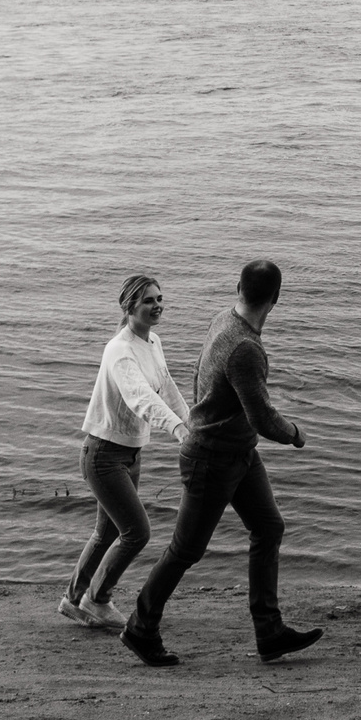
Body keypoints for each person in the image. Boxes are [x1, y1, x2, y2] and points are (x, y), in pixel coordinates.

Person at [123, 260, 323, 667]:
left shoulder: (223, 319)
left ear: (238, 289)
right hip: (212, 457)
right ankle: (140, 628)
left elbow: (206, 383)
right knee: (185, 550)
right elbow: (262, 417)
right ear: (276, 299)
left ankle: (269, 632)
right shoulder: (246, 349)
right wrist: (296, 434)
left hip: (238, 453)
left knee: (269, 527)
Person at [60, 272, 190, 630]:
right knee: (136, 531)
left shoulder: (153, 343)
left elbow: (166, 388)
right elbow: (140, 398)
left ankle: (74, 600)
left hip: (130, 453)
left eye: (160, 299)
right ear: (129, 306)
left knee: (106, 533)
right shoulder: (119, 349)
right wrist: (177, 429)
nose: (157, 306)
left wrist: (192, 423)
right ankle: (96, 600)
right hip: (103, 455)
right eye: (148, 300)